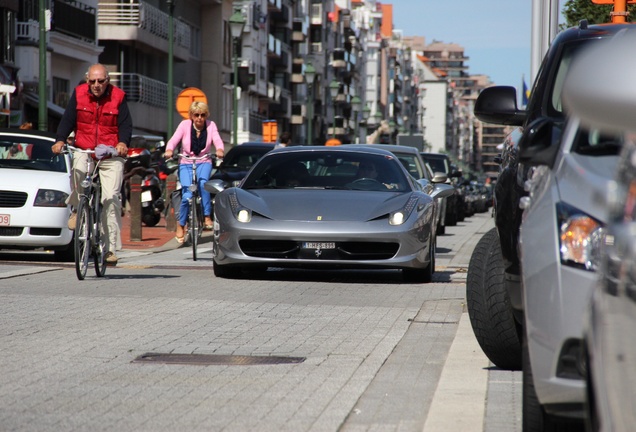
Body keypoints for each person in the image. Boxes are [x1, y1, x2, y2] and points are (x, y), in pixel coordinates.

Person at [51, 63, 132, 265]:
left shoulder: (119, 96)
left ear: (108, 81)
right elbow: (68, 119)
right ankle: (78, 208)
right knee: (77, 168)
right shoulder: (78, 94)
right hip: (84, 149)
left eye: (101, 81)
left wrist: (123, 143)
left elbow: (125, 124)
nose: (96, 85)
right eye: (93, 81)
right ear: (88, 80)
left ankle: (110, 249)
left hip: (110, 153)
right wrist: (60, 139)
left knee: (111, 197)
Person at [164, 101, 224, 243]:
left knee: (203, 184)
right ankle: (181, 224)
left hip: (204, 161)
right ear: (191, 115)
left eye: (202, 115)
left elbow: (217, 140)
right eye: (196, 115)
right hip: (185, 162)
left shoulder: (211, 125)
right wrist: (169, 150)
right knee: (186, 195)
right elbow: (173, 140)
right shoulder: (184, 125)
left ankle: (207, 216)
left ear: (206, 115)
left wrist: (220, 150)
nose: (199, 118)